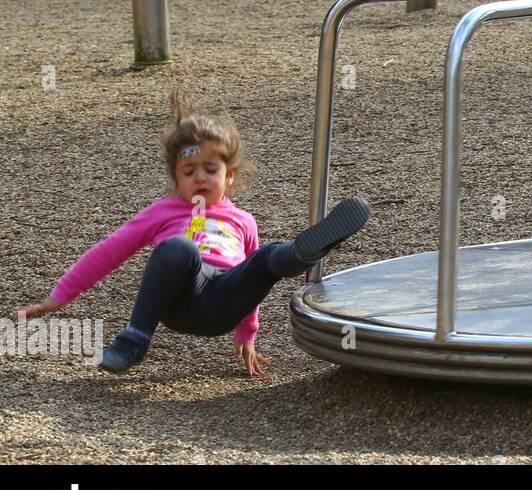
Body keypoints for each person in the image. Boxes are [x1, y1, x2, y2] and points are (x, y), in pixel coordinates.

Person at [14, 92, 371, 375]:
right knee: (178, 248)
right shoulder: (164, 211)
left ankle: (301, 254)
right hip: (182, 297)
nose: (199, 177)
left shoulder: (244, 221)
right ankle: (133, 341)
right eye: (188, 171)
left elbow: (252, 284)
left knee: (265, 259)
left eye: (209, 169)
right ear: (176, 178)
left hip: (224, 301)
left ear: (229, 176)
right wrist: (58, 297)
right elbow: (110, 251)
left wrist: (247, 335)